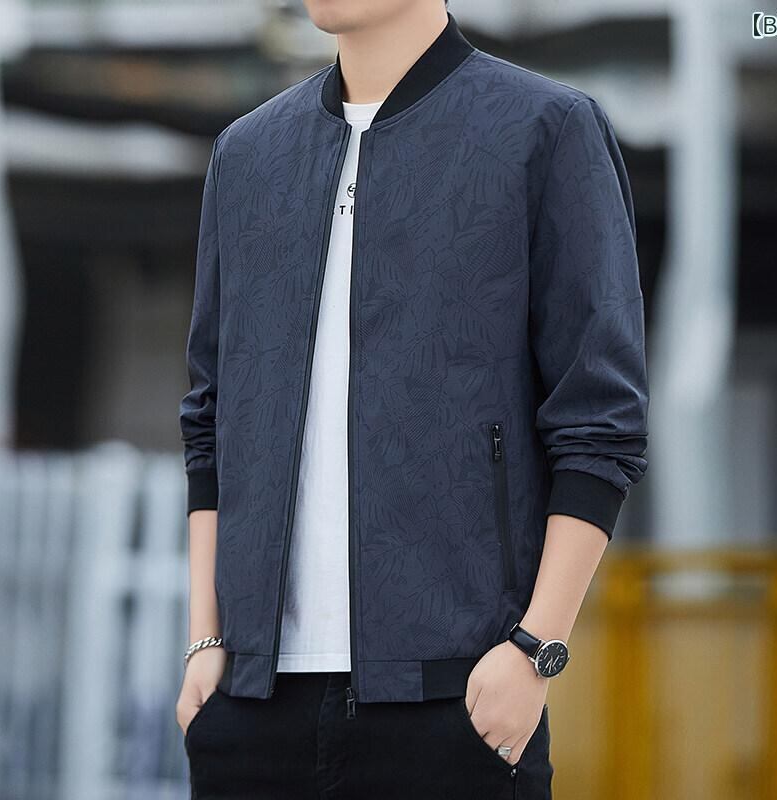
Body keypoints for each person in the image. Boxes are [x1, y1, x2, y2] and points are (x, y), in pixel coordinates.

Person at [175, 0, 649, 797]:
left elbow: (601, 421)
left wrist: (535, 650)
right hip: (251, 707)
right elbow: (209, 420)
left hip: (457, 700)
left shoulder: (543, 130)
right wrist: (205, 642)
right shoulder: (250, 153)